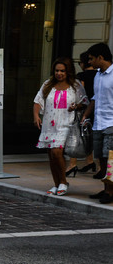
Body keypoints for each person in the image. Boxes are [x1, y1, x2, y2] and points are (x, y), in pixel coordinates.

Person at [33, 56, 88, 196]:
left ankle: (63, 181)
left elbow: (85, 101)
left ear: (68, 71)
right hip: (49, 124)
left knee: (57, 152)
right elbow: (37, 101)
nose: (59, 73)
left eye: (62, 71)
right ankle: (56, 184)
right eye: (57, 70)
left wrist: (77, 106)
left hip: (66, 124)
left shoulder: (75, 86)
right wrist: (36, 116)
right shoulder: (47, 84)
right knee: (51, 155)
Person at [82, 43, 113, 203]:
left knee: (110, 159)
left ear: (101, 57)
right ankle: (106, 188)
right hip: (98, 122)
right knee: (101, 157)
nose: (90, 62)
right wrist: (86, 114)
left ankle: (109, 191)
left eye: (92, 59)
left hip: (111, 123)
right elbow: (95, 98)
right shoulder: (98, 76)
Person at [66, 51, 97, 175]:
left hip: (84, 108)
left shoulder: (81, 76)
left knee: (78, 136)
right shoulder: (99, 75)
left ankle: (72, 164)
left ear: (83, 63)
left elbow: (80, 94)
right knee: (92, 136)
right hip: (96, 108)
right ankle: (93, 163)